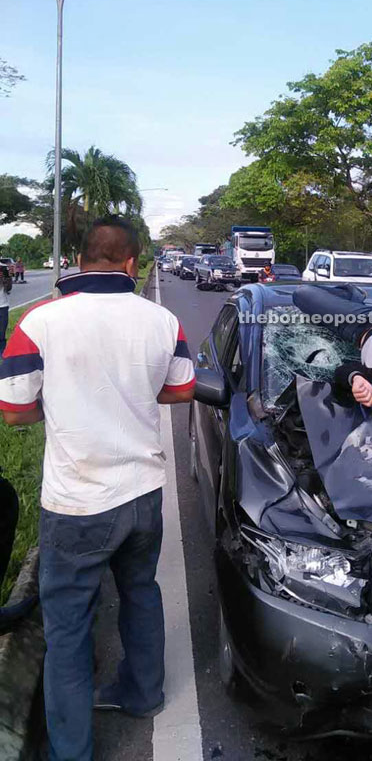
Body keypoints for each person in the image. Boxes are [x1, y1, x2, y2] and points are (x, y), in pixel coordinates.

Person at [0, 216, 195, 761]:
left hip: (77, 501)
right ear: (133, 263)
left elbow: (14, 412)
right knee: (140, 592)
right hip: (144, 494)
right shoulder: (162, 320)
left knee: (68, 627)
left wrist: (65, 404)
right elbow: (181, 392)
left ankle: (73, 750)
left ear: (80, 260)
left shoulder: (40, 321)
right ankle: (142, 693)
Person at [0, 261, 11, 354]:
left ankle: (2, 353)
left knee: (2, 333)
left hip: (3, 306)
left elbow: (9, 288)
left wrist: (6, 278)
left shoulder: (3, 269)